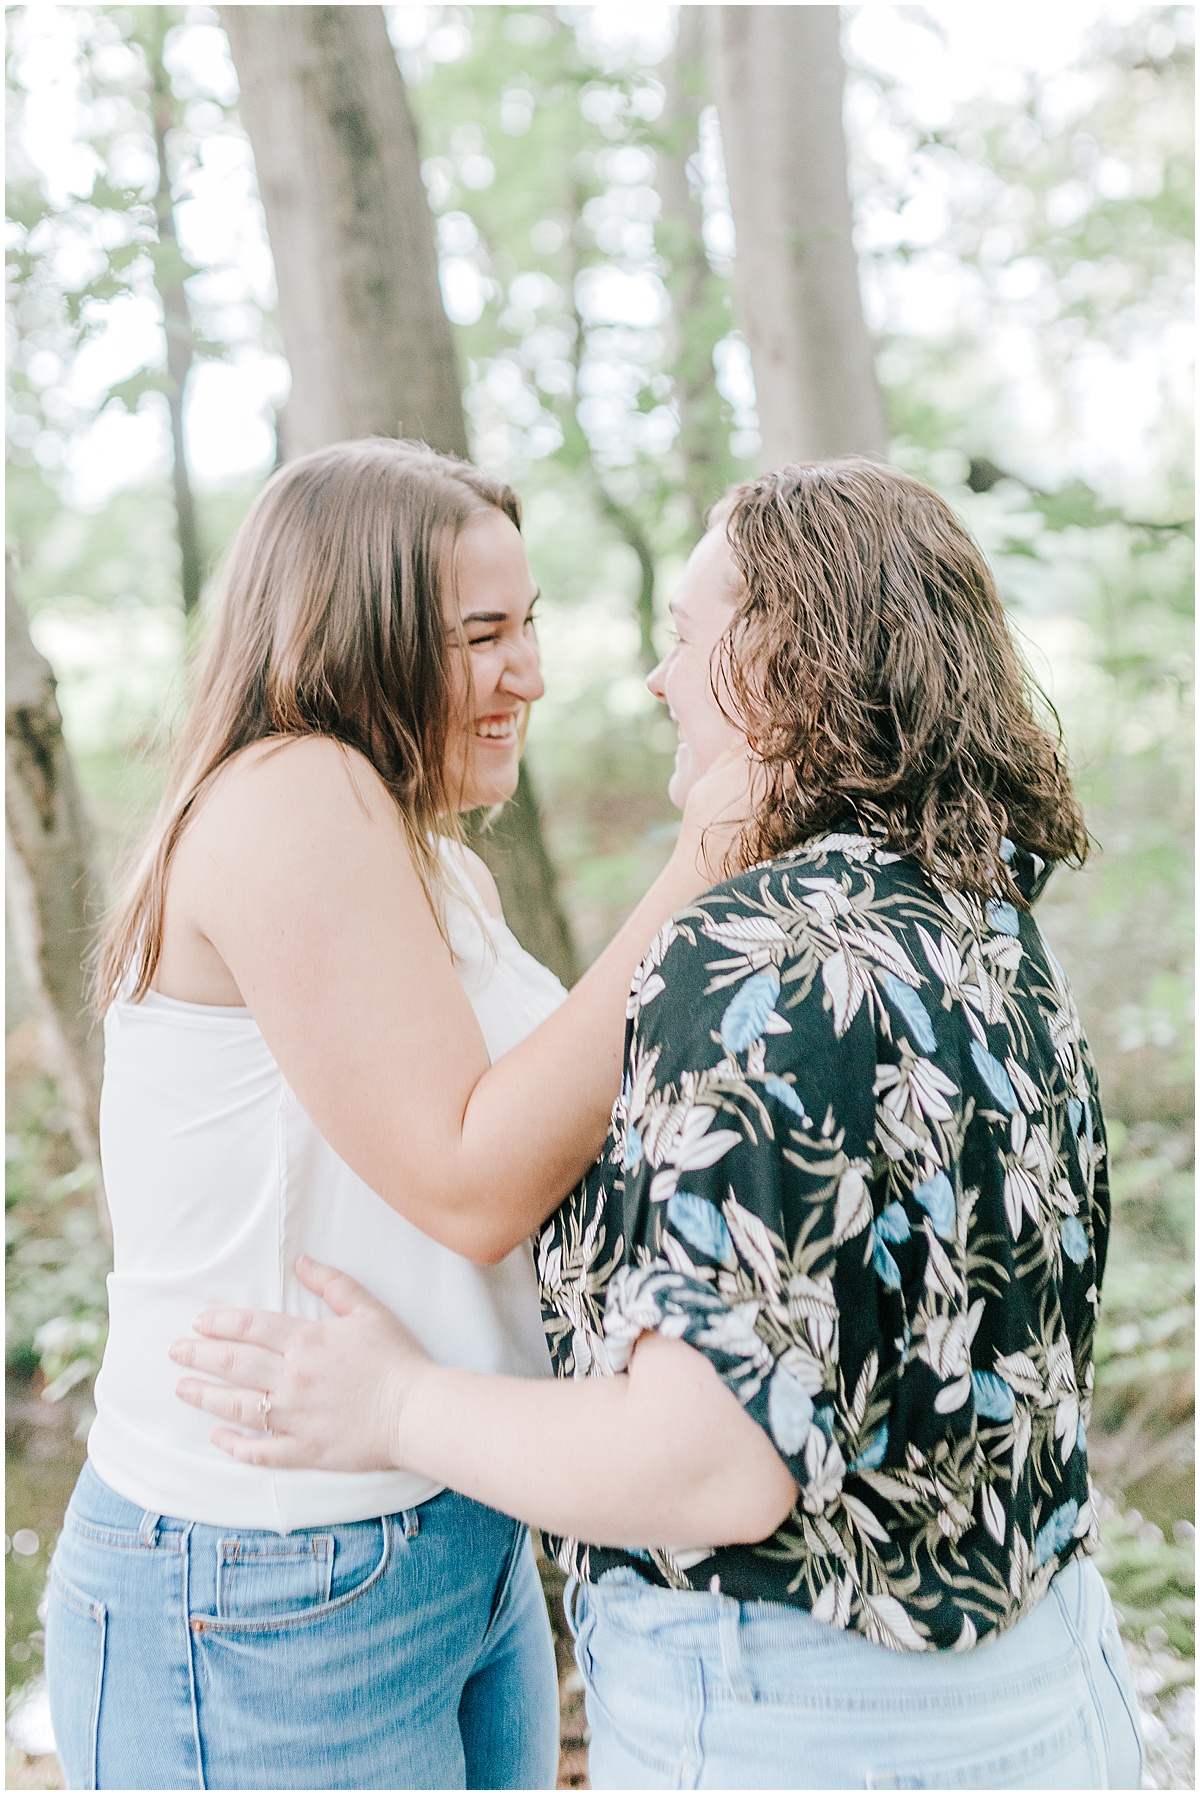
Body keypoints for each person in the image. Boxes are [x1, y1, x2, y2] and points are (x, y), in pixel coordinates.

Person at [176, 459, 1146, 1791]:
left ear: (780, 664)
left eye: (683, 639)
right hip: (1040, 1681)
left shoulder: (756, 961)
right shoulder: (980, 918)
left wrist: (395, 1401)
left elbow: (707, 1467)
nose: (649, 681)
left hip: (809, 1720)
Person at [44, 437, 743, 1792]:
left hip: (448, 1527)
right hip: (265, 1580)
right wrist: (708, 862)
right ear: (347, 637)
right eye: (481, 635)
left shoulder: (433, 862)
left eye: (528, 625)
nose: (528, 672)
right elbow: (472, 1179)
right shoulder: (290, 795)